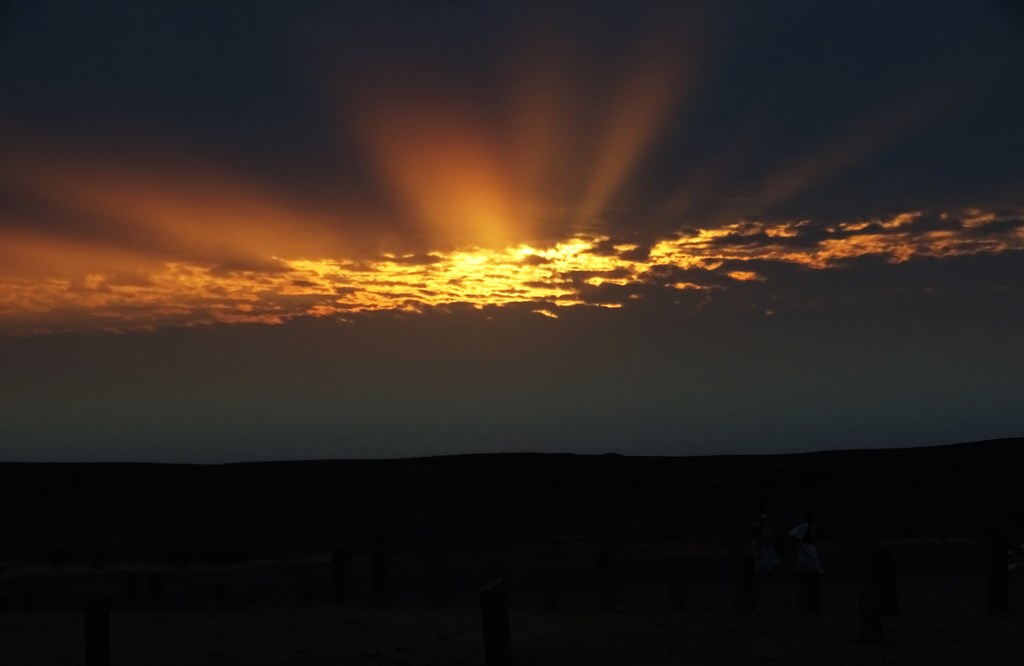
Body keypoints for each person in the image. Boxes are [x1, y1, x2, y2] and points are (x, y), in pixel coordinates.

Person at [788, 509, 824, 575]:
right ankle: (817, 569)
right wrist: (794, 544)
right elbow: (798, 536)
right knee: (812, 556)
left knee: (803, 557)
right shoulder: (804, 526)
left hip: (810, 544)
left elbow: (815, 535)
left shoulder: (812, 526)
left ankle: (800, 569)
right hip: (806, 544)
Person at [750, 499, 779, 574]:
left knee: (770, 556)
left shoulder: (766, 516)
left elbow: (771, 528)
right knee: (760, 556)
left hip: (765, 540)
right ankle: (759, 571)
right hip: (759, 539)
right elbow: (754, 527)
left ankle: (766, 570)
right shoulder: (757, 516)